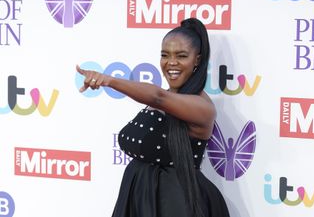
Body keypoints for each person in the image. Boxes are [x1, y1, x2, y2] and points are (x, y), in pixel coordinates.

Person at [77, 18, 230, 217]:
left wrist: (110, 80)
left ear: (197, 60)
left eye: (182, 56)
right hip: (140, 197)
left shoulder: (202, 107)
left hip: (176, 204)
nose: (171, 62)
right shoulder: (167, 95)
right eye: (165, 55)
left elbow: (159, 97)